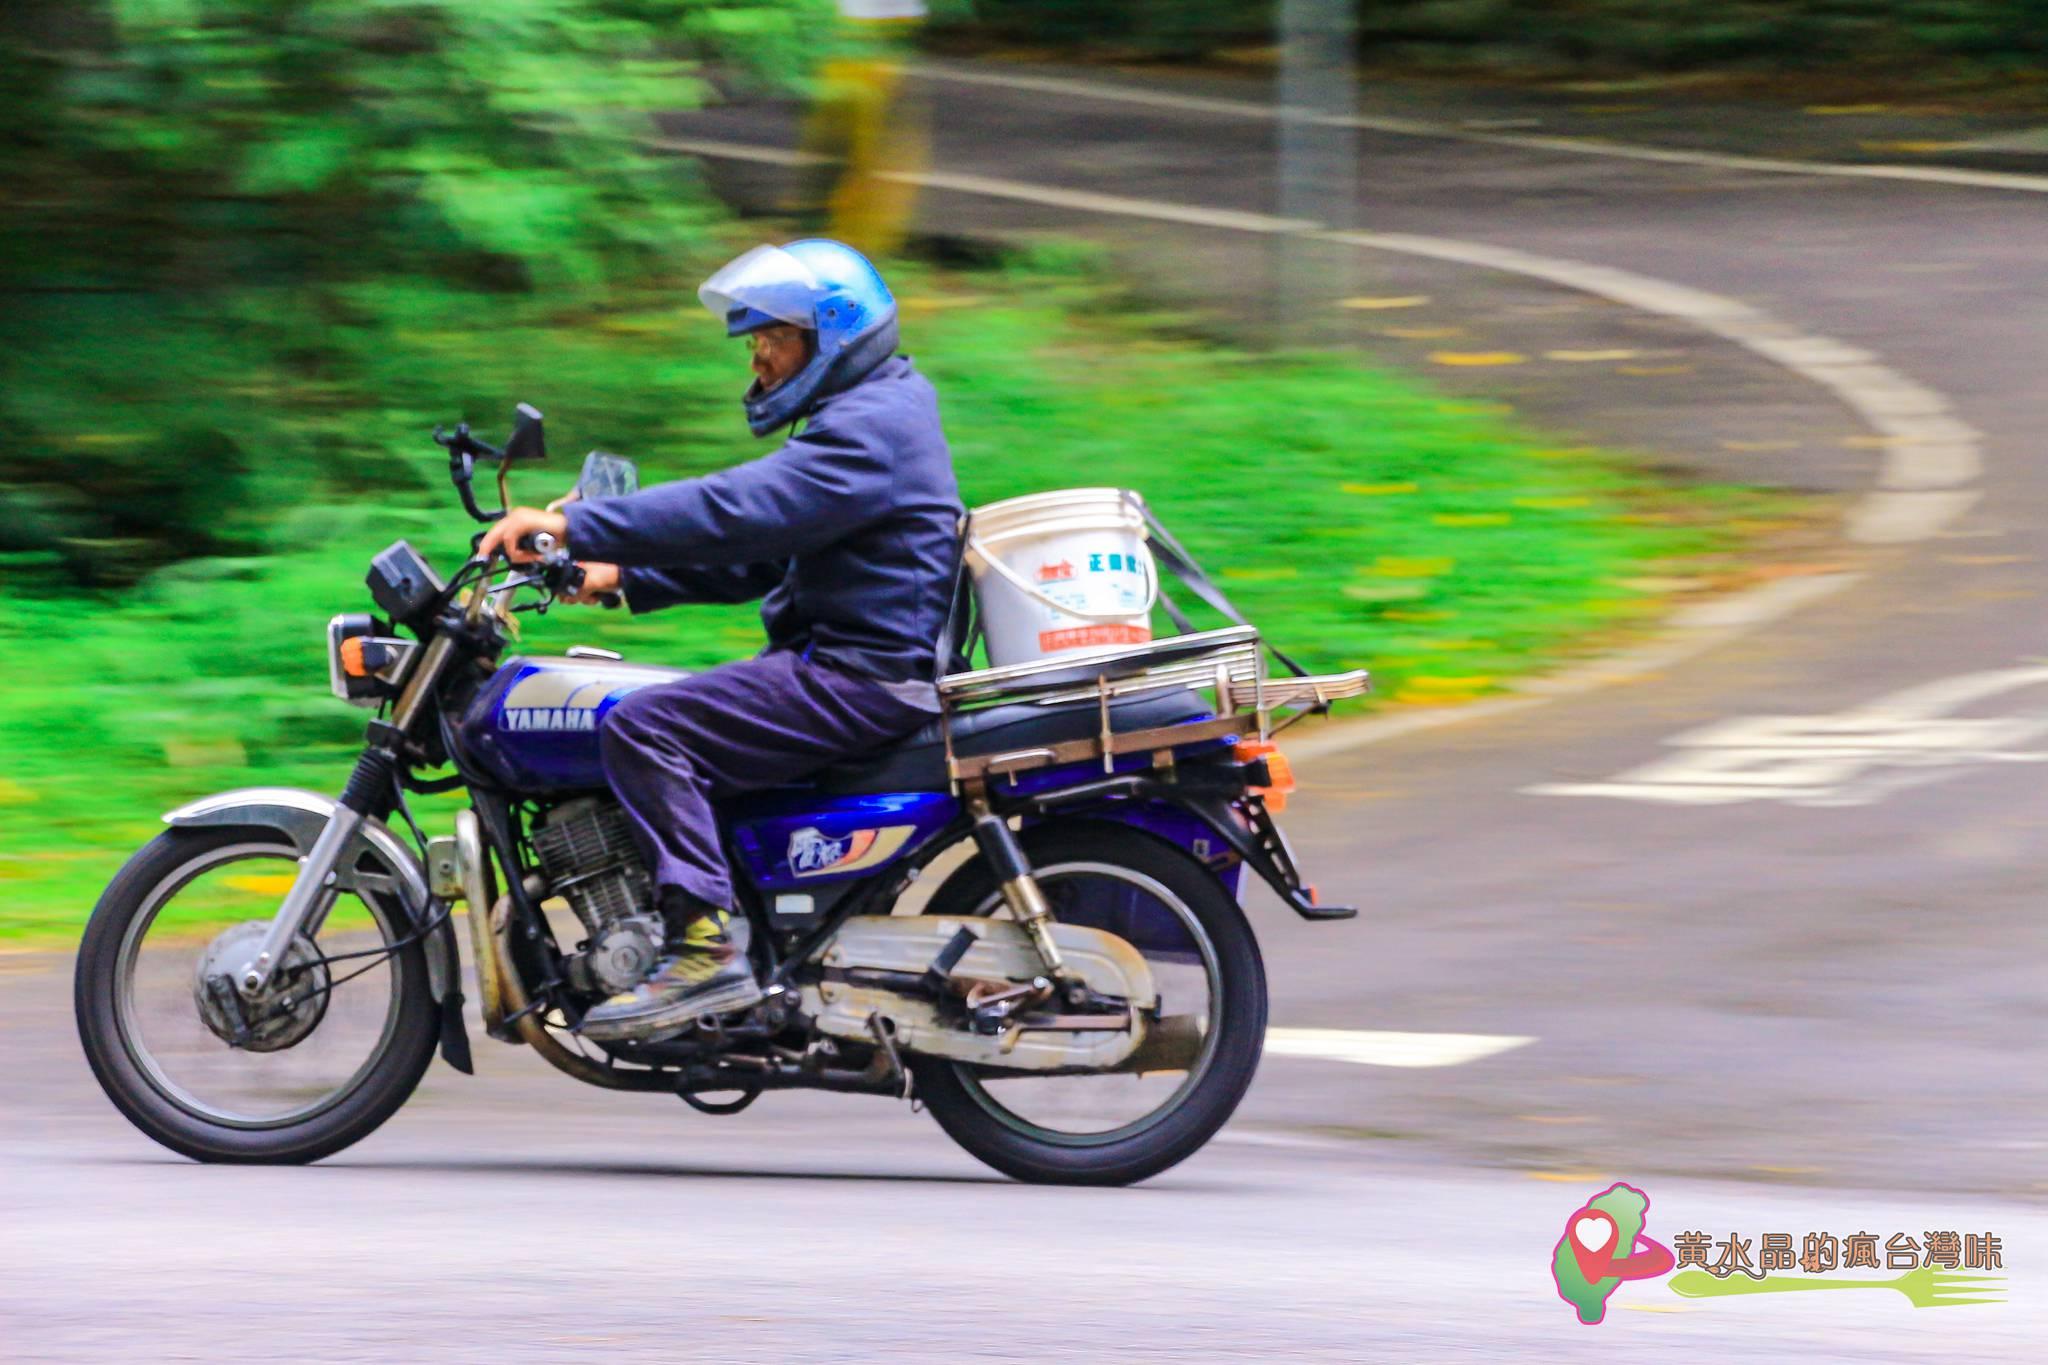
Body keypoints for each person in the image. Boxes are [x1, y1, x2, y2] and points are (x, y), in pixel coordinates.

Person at [481, 239, 960, 1041]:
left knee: (644, 724)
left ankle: (703, 951)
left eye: (773, 338)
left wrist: (573, 523)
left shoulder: (871, 426)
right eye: (755, 342)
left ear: (833, 333)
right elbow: (768, 552)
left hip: (855, 678)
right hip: (847, 665)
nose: (761, 359)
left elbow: (739, 508)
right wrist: (620, 577)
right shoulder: (878, 412)